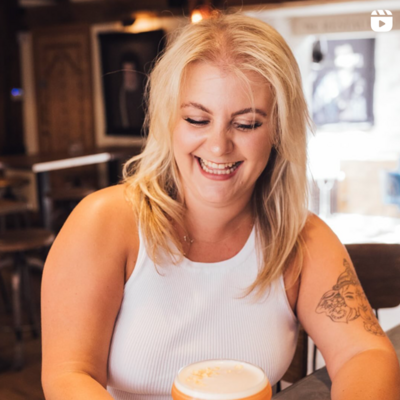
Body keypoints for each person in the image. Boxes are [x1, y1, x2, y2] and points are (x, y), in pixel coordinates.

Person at [41, 13, 400, 400]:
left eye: (246, 124)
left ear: (279, 130)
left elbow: (363, 352)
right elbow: (68, 374)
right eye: (197, 119)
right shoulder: (104, 223)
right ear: (169, 121)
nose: (218, 146)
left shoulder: (301, 238)